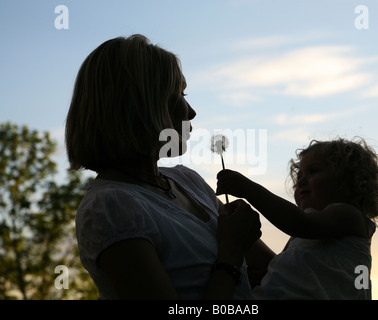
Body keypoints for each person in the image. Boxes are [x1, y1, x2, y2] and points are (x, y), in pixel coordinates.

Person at [65, 34, 265, 299]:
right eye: (179, 94)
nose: (191, 111)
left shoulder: (187, 181)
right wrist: (230, 253)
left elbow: (272, 270)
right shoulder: (110, 207)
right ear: (141, 106)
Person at [216, 138, 378, 299]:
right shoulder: (304, 233)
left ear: (351, 182)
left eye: (313, 171)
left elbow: (298, 222)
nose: (301, 181)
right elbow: (284, 264)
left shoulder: (349, 216)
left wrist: (248, 189)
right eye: (299, 176)